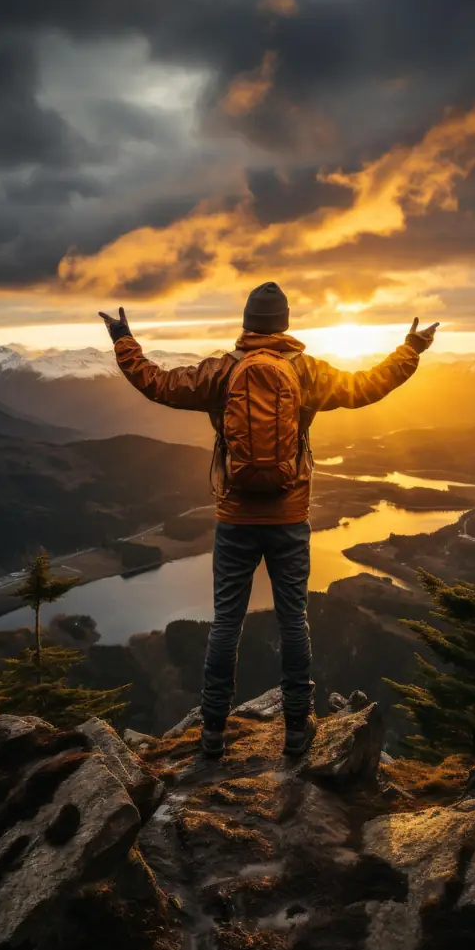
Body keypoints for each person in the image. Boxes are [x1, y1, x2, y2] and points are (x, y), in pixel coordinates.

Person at [99, 282, 438, 758]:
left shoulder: (222, 371)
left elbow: (156, 383)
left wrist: (123, 340)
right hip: (290, 515)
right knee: (293, 621)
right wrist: (411, 349)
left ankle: (213, 733)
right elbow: (367, 387)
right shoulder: (306, 371)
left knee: (225, 626)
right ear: (284, 325)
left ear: (246, 324)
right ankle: (298, 731)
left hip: (236, 516)